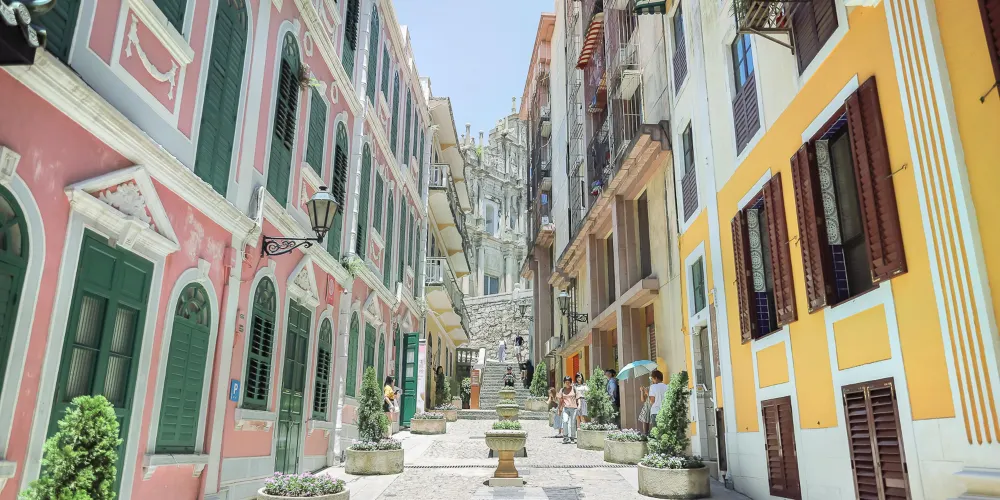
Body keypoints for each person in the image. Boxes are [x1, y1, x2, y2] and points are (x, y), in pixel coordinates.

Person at [557, 376, 579, 444]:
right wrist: (559, 410)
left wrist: (579, 405)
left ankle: (572, 437)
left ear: (571, 382)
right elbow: (560, 401)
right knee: (565, 421)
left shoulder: (574, 389)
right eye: (566, 382)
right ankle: (565, 437)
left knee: (572, 423)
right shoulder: (562, 390)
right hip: (565, 408)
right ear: (564, 382)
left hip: (573, 408)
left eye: (569, 382)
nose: (567, 383)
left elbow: (578, 398)